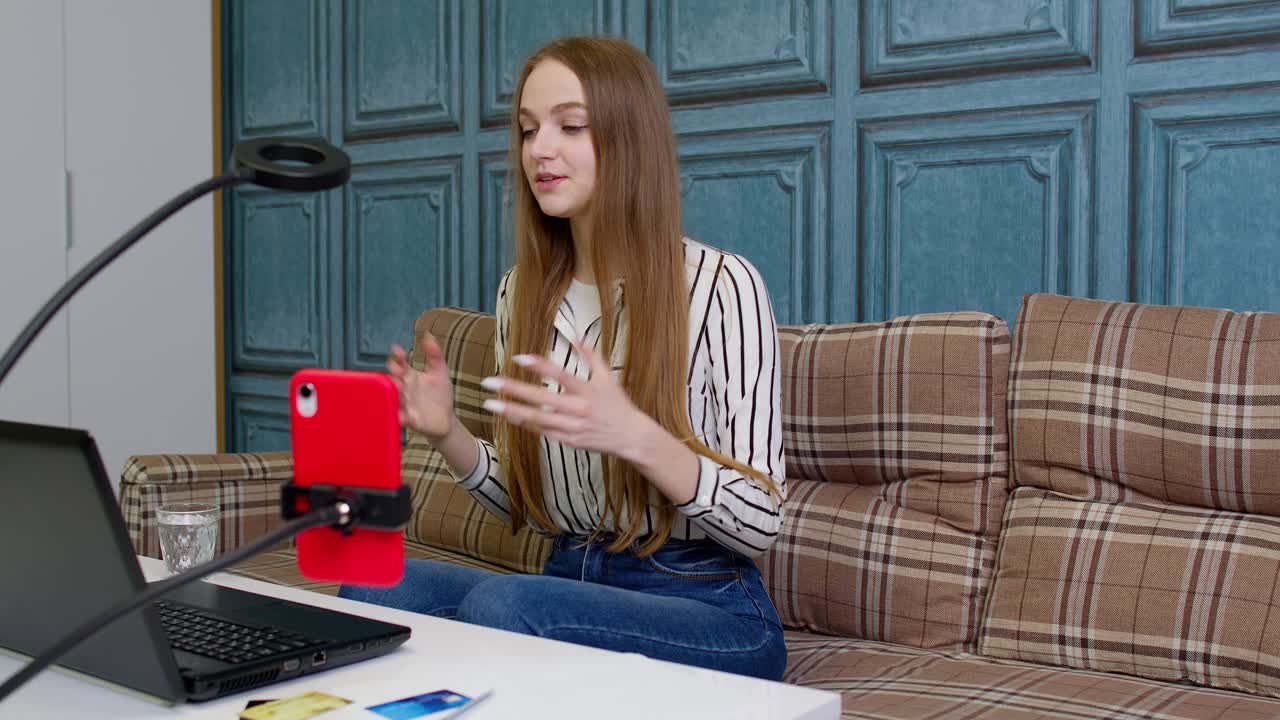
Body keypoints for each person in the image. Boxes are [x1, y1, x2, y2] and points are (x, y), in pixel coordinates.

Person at [339, 36, 788, 681]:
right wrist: (448, 433)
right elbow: (531, 503)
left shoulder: (721, 285)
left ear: (628, 139)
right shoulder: (521, 291)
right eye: (527, 130)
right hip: (567, 576)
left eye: (569, 126)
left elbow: (762, 521)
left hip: (704, 602)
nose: (538, 150)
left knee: (505, 605)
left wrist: (636, 436)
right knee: (374, 591)